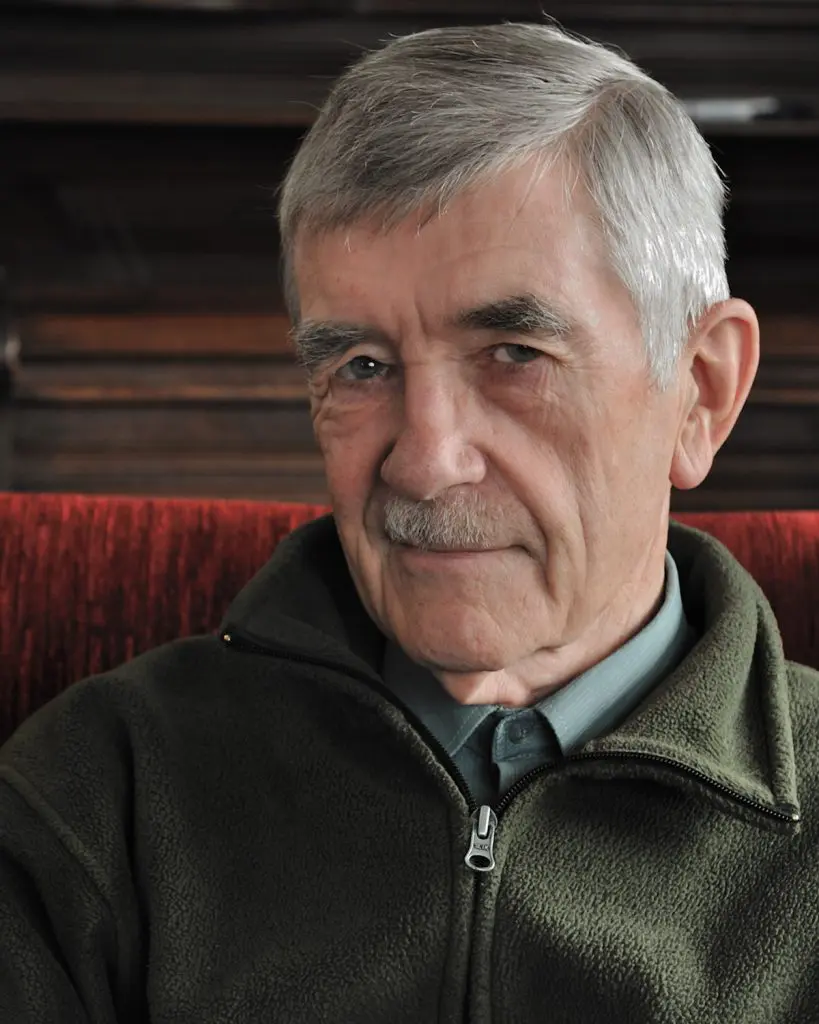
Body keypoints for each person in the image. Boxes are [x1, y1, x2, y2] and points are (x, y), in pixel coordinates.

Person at [1, 19, 816, 1024]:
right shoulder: (97, 791)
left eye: (515, 354)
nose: (424, 465)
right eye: (362, 367)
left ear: (699, 392)